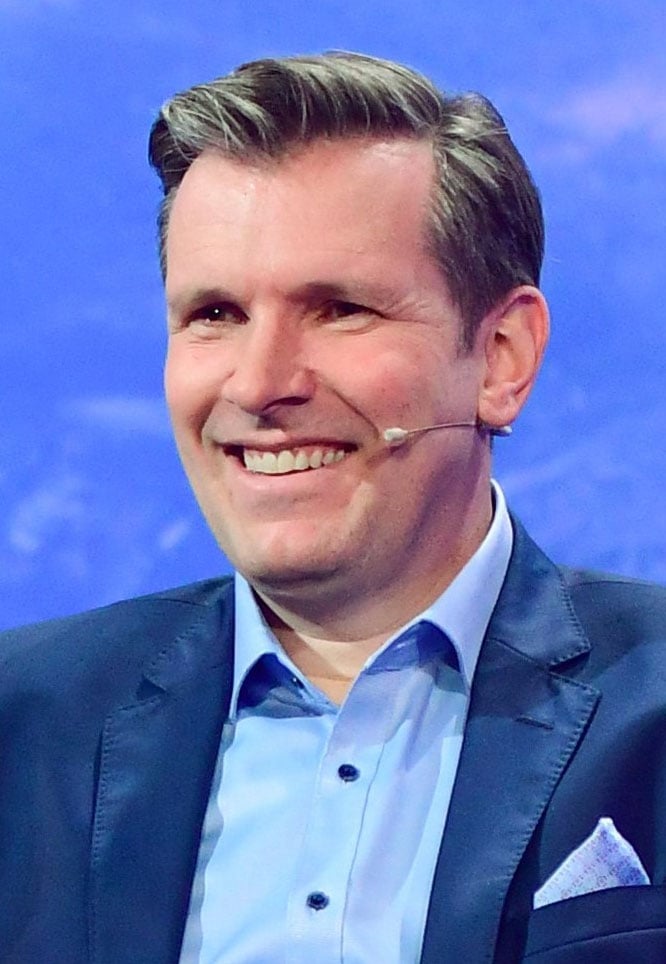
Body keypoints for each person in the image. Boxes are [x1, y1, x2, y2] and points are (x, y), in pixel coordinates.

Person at [1, 52, 665, 964]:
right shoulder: (23, 727)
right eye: (215, 314)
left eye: (340, 309)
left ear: (501, 357)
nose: (260, 383)